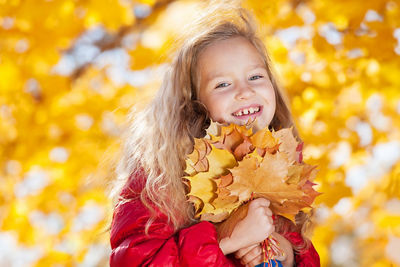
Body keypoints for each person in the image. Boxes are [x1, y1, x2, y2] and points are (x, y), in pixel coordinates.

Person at [109, 1, 320, 266]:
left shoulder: (281, 168)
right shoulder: (160, 177)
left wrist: (290, 255)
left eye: (255, 77)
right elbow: (137, 261)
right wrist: (225, 241)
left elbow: (300, 246)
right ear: (193, 102)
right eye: (223, 84)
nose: (244, 91)